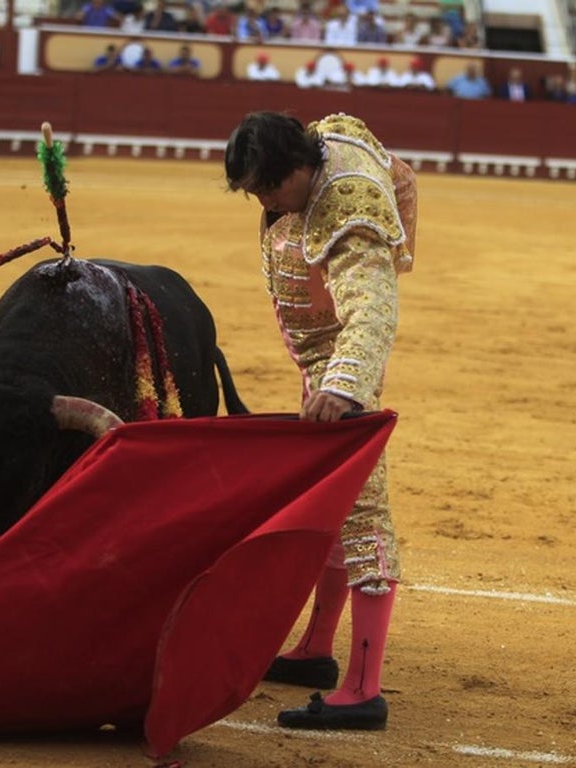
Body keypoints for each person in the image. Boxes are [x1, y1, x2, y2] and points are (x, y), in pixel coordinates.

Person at [224, 111, 416, 731]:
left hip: (342, 369)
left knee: (362, 509)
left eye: (269, 188)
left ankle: (363, 691)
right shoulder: (319, 151)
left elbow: (373, 308)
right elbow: (402, 174)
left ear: (300, 168)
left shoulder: (349, 207)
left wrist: (343, 384)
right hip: (318, 361)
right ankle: (315, 652)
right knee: (334, 502)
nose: (264, 202)